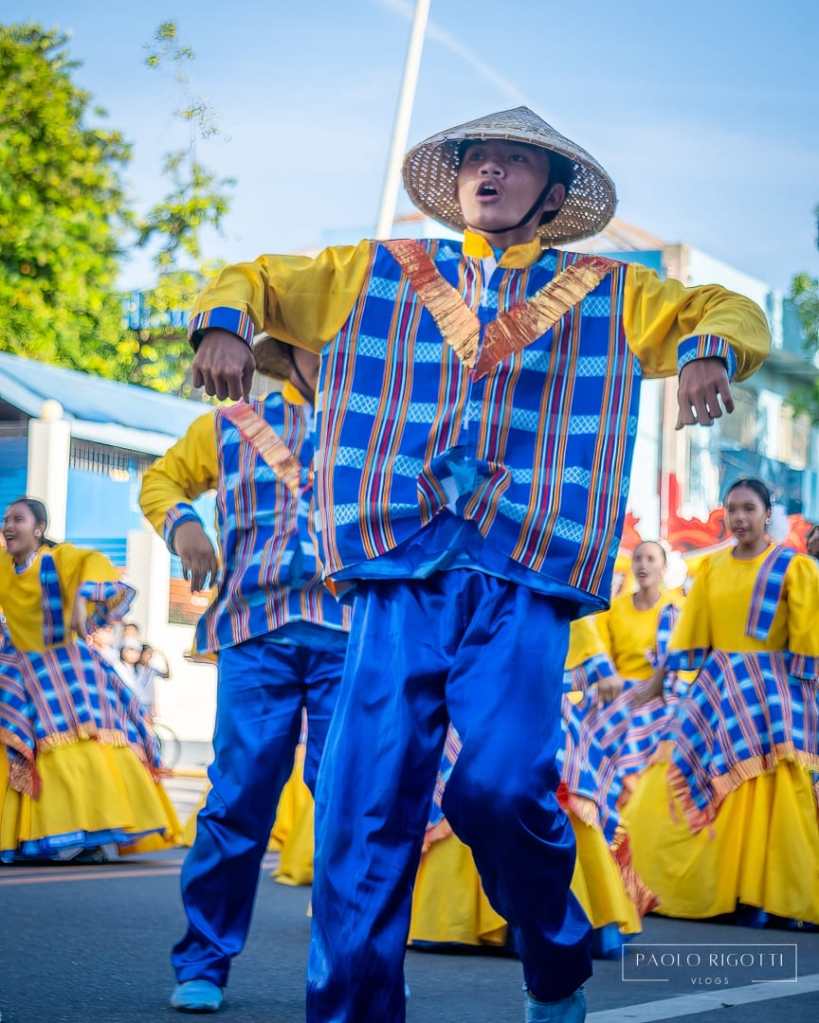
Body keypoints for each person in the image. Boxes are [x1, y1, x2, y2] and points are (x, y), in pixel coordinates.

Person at [186, 106, 770, 1022]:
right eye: (473, 160)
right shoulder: (373, 270)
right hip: (396, 574)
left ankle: (554, 955)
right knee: (363, 808)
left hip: (520, 577)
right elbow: (252, 278)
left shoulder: (610, 290)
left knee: (499, 790)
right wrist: (223, 325)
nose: (486, 172)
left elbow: (728, 309)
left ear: (554, 194)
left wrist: (706, 350)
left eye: (510, 161)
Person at [139, 337, 350, 1014]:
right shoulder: (230, 424)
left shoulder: (381, 424)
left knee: (354, 806)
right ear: (293, 350)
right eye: (323, 340)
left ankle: (360, 966)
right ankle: (204, 961)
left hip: (355, 638)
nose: (340, 349)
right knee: (236, 802)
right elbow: (160, 481)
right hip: (254, 637)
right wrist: (183, 526)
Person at [625, 478, 819, 924]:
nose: (740, 518)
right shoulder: (711, 568)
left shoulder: (794, 568)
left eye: (749, 508)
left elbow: (809, 644)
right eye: (732, 509)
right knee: (673, 779)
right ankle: (717, 888)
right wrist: (657, 683)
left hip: (771, 696)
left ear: (767, 513)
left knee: (768, 792)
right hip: (718, 689)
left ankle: (772, 896)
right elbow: (690, 635)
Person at [0, 498, 178, 861]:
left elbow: (95, 565)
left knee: (77, 750)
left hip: (66, 669)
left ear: (39, 529)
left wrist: (82, 597)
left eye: (18, 519)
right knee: (20, 745)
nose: (9, 526)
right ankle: (22, 833)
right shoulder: (4, 567)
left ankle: (89, 835)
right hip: (19, 667)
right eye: (6, 519)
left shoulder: (58, 559)